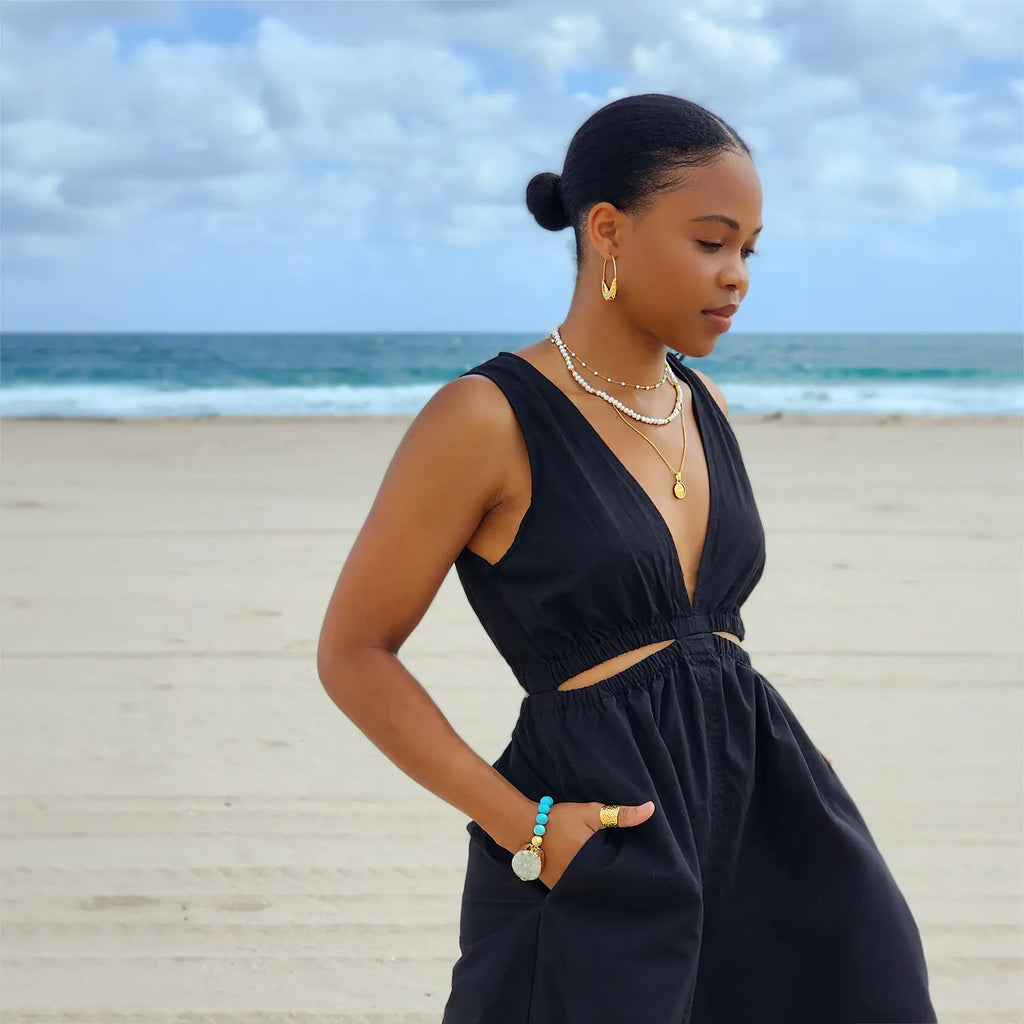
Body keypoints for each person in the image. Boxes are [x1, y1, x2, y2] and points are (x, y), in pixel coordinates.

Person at [316, 93, 937, 1024]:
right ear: (606, 230)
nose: (736, 277)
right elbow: (354, 653)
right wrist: (525, 826)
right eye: (711, 242)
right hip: (607, 837)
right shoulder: (485, 417)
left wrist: (765, 746)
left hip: (769, 809)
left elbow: (705, 633)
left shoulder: (703, 403)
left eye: (750, 250)